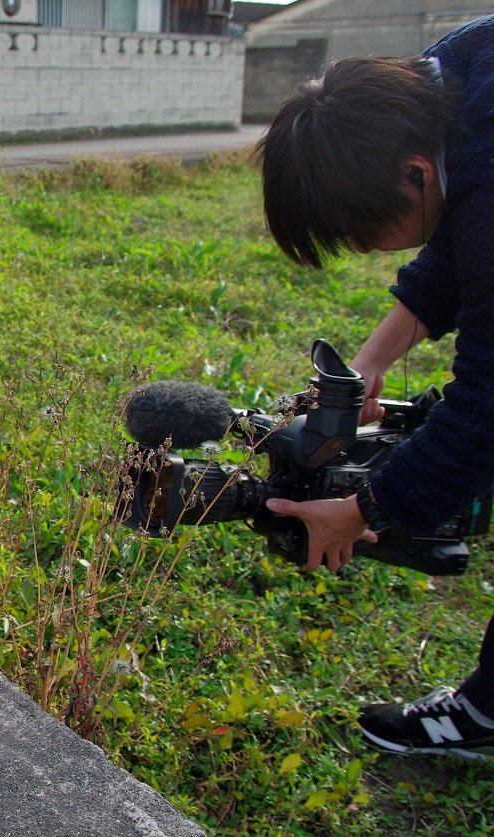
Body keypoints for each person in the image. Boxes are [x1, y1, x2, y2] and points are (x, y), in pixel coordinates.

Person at [255, 15, 494, 762]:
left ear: (415, 173)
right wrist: (369, 361)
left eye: (363, 234)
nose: (364, 249)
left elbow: (488, 405)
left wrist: (363, 509)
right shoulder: (455, 73)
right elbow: (462, 233)